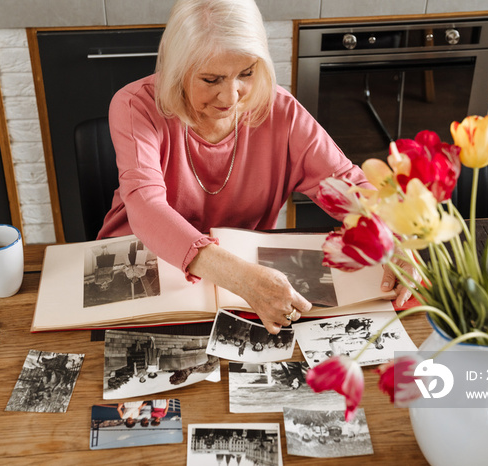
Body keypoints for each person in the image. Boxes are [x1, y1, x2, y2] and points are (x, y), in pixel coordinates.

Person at [97, 0, 410, 334]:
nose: (230, 97)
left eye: (245, 73)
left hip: (247, 289)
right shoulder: (134, 105)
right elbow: (146, 207)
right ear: (177, 68)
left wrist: (397, 237)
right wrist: (242, 278)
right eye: (211, 79)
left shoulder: (281, 111)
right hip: (146, 268)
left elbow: (346, 185)